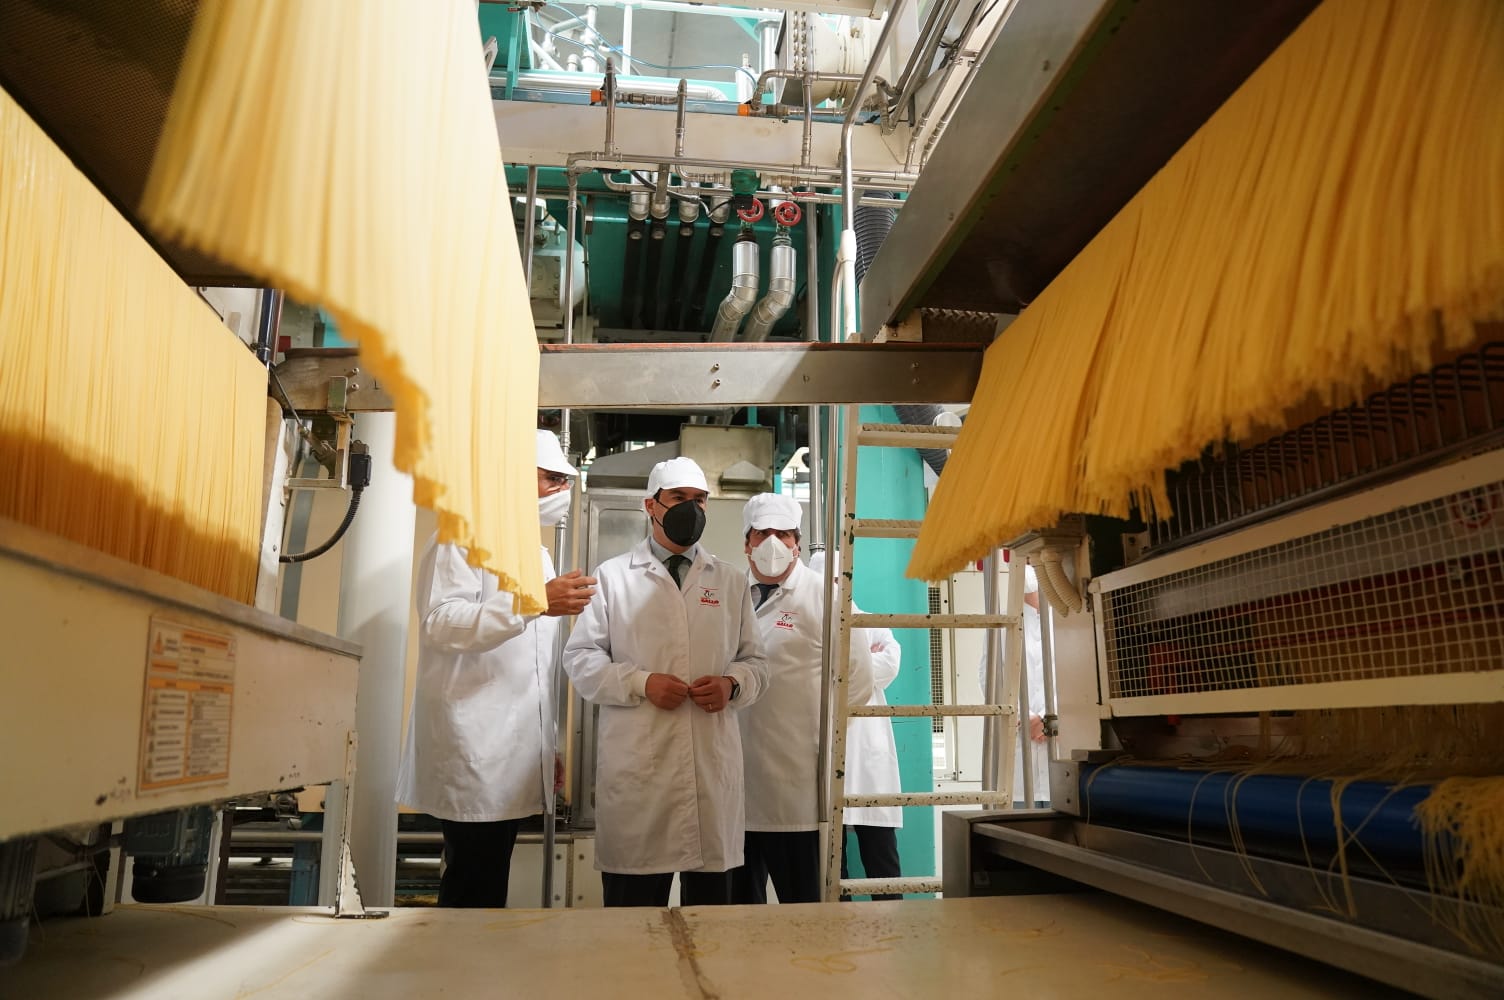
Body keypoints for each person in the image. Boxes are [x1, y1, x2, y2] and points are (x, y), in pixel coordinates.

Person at [396, 429, 597, 907]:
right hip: (475, 747)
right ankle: (457, 980)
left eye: (564, 481)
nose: (560, 491)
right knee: (472, 884)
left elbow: (533, 670)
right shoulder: (460, 534)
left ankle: (476, 976)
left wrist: (547, 746)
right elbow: (442, 622)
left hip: (513, 752)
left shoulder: (537, 554)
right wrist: (531, 602)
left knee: (488, 884)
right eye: (550, 478)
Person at [563, 457, 768, 907]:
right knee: (632, 928)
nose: (690, 509)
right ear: (650, 506)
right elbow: (579, 659)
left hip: (709, 772)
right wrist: (640, 682)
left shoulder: (730, 581)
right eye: (678, 499)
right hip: (641, 770)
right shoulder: (614, 578)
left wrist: (732, 685)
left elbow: (756, 662)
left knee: (712, 932)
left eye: (699, 500)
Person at [730, 495, 874, 905]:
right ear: (747, 542)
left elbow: (857, 685)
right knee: (738, 922)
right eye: (763, 533)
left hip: (800, 796)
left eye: (784, 534)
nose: (773, 542)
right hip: (734, 791)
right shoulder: (729, 594)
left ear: (797, 542)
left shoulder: (826, 597)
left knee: (811, 920)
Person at [807, 551, 906, 902]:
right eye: (825, 583)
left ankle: (891, 937)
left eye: (838, 582)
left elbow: (888, 664)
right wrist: (859, 660)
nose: (833, 589)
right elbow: (809, 674)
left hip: (869, 754)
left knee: (882, 856)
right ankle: (839, 935)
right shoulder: (808, 624)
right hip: (822, 750)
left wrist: (841, 669)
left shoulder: (872, 621)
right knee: (834, 862)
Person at [977, 561, 1050, 803]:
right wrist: (1022, 715)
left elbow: (1079, 679)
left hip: (1059, 740)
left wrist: (1052, 718)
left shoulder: (1067, 620)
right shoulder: (1004, 624)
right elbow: (990, 679)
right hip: (1018, 742)